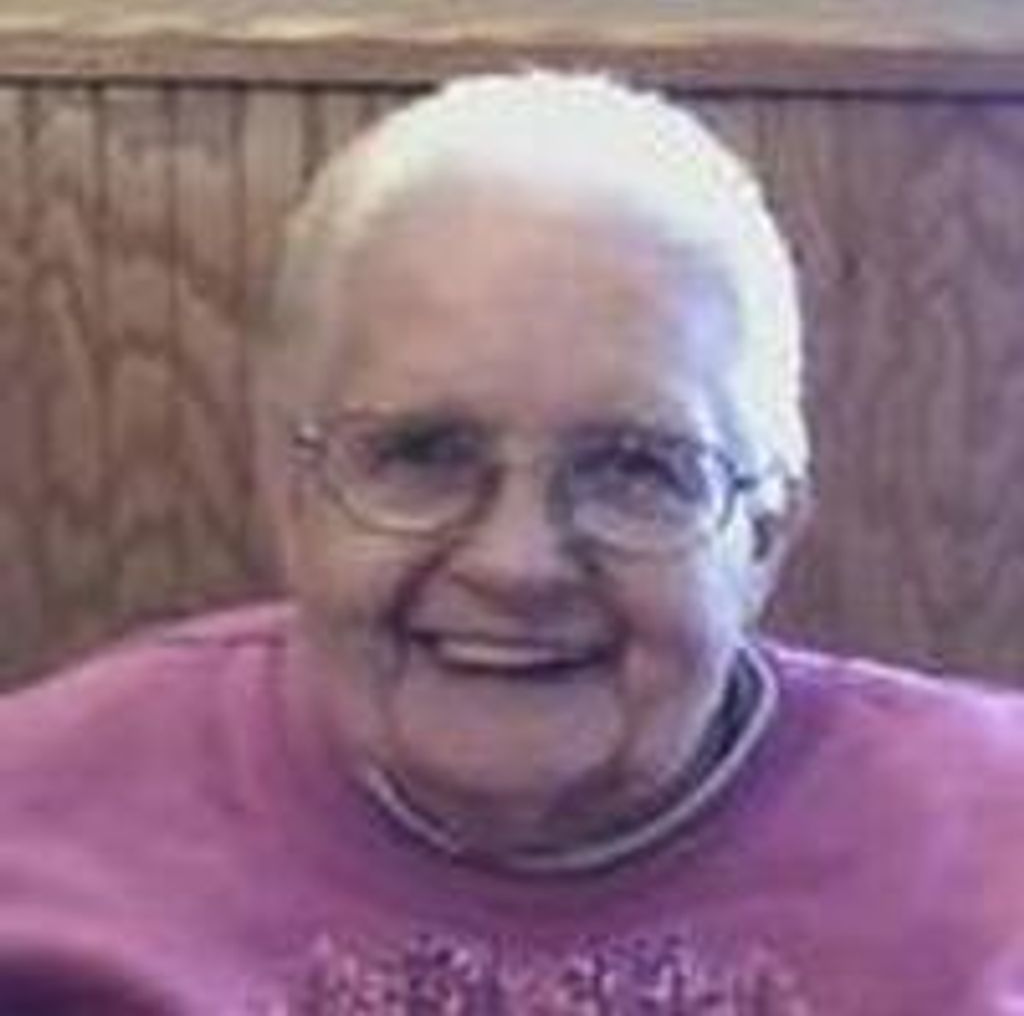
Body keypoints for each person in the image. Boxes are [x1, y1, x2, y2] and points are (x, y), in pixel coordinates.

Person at [1, 70, 1022, 1016]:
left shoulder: (998, 854)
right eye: (423, 453)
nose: (518, 562)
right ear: (289, 491)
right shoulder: (33, 824)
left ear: (764, 535)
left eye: (633, 467)